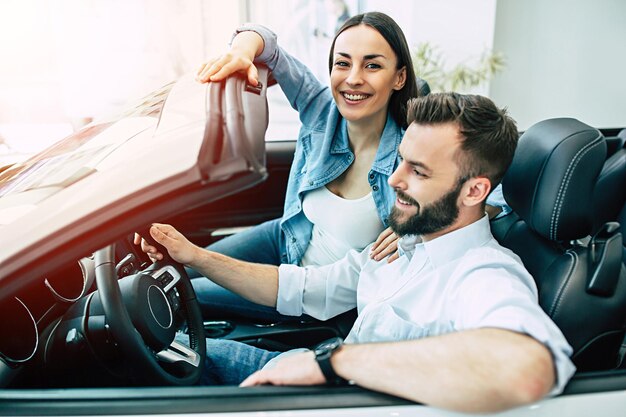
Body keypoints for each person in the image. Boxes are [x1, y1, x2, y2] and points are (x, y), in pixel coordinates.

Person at [140, 93, 575, 414]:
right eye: (401, 160)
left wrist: (332, 363)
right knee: (150, 350)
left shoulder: (485, 274)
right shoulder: (404, 242)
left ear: (475, 190)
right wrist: (194, 255)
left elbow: (526, 367)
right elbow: (300, 286)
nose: (394, 179)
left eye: (418, 171)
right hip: (310, 373)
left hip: (334, 394)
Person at [186, 12, 508, 321]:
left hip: (313, 292)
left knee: (181, 294)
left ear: (399, 77)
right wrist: (242, 53)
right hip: (286, 238)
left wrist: (417, 228)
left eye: (372, 65)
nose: (353, 78)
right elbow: (268, 46)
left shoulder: (413, 152)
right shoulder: (321, 109)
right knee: (175, 269)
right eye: (343, 63)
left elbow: (497, 196)